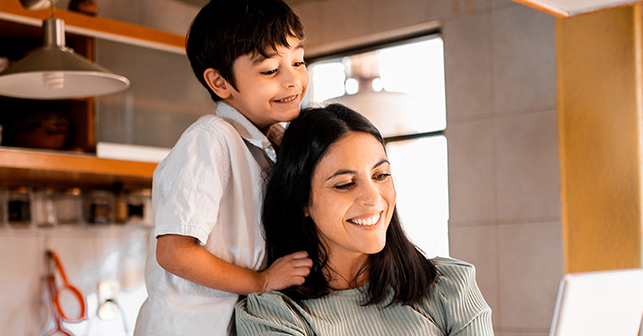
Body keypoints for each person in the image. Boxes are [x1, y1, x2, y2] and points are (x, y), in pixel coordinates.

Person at [235, 104, 494, 335]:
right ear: (302, 201)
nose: (373, 198)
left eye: (381, 175)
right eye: (346, 184)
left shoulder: (450, 287)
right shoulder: (273, 316)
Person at [134, 0, 313, 335]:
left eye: (298, 61)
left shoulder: (274, 144)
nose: (293, 81)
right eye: (271, 70)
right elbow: (174, 252)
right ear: (219, 83)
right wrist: (262, 281)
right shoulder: (210, 138)